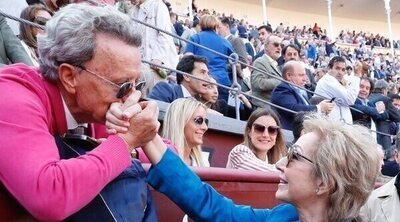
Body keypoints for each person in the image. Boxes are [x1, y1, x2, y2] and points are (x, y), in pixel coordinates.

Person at [0, 4, 160, 221]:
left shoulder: (93, 107)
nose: (130, 96)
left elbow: (170, 152)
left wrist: (138, 139)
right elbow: (50, 195)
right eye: (123, 85)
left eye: (136, 84)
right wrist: (126, 141)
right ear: (69, 77)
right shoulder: (12, 96)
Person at [112, 113, 379, 221]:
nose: (281, 162)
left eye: (294, 156)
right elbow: (216, 209)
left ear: (325, 183)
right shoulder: (284, 216)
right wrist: (149, 138)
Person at [271, 61, 334, 130]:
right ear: (288, 76)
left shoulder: (297, 89)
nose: (304, 79)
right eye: (301, 75)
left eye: (305, 75)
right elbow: (294, 109)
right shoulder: (282, 89)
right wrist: (319, 108)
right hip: (290, 134)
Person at [184, 14, 234, 101]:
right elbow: (236, 62)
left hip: (202, 81)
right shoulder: (224, 41)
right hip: (222, 82)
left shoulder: (195, 38)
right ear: (216, 25)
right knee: (221, 112)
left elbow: (187, 58)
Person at [162, 98, 210, 167]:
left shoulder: (204, 162)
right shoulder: (159, 156)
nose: (205, 127)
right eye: (199, 120)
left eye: (206, 121)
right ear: (180, 122)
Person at [314, 56, 361, 124]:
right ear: (329, 69)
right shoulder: (328, 80)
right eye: (337, 68)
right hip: (331, 127)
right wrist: (356, 75)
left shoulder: (335, 81)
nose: (340, 72)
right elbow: (350, 99)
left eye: (343, 70)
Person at [251, 35, 283, 107]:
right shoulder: (260, 61)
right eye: (276, 44)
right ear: (266, 46)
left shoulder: (276, 64)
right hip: (264, 108)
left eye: (281, 45)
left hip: (274, 107)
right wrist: (281, 81)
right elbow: (258, 83)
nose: (279, 48)